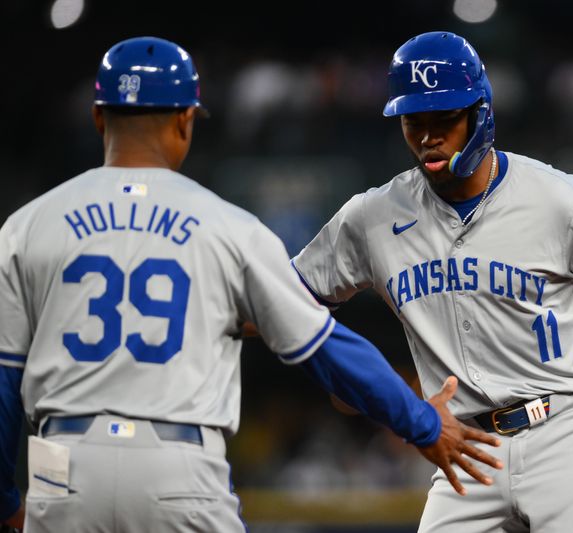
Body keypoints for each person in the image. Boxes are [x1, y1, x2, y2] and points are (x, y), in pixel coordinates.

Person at [0, 36, 503, 533]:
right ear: (185, 121)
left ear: (97, 117)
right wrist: (422, 423)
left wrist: (3, 499)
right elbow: (326, 348)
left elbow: (3, 379)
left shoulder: (26, 227)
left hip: (62, 463)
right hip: (177, 465)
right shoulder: (228, 227)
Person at [292, 31, 573, 532]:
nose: (429, 136)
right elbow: (284, 303)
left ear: (482, 113)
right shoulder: (371, 217)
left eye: (445, 118)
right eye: (414, 121)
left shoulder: (562, 201)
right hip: (466, 449)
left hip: (565, 433)